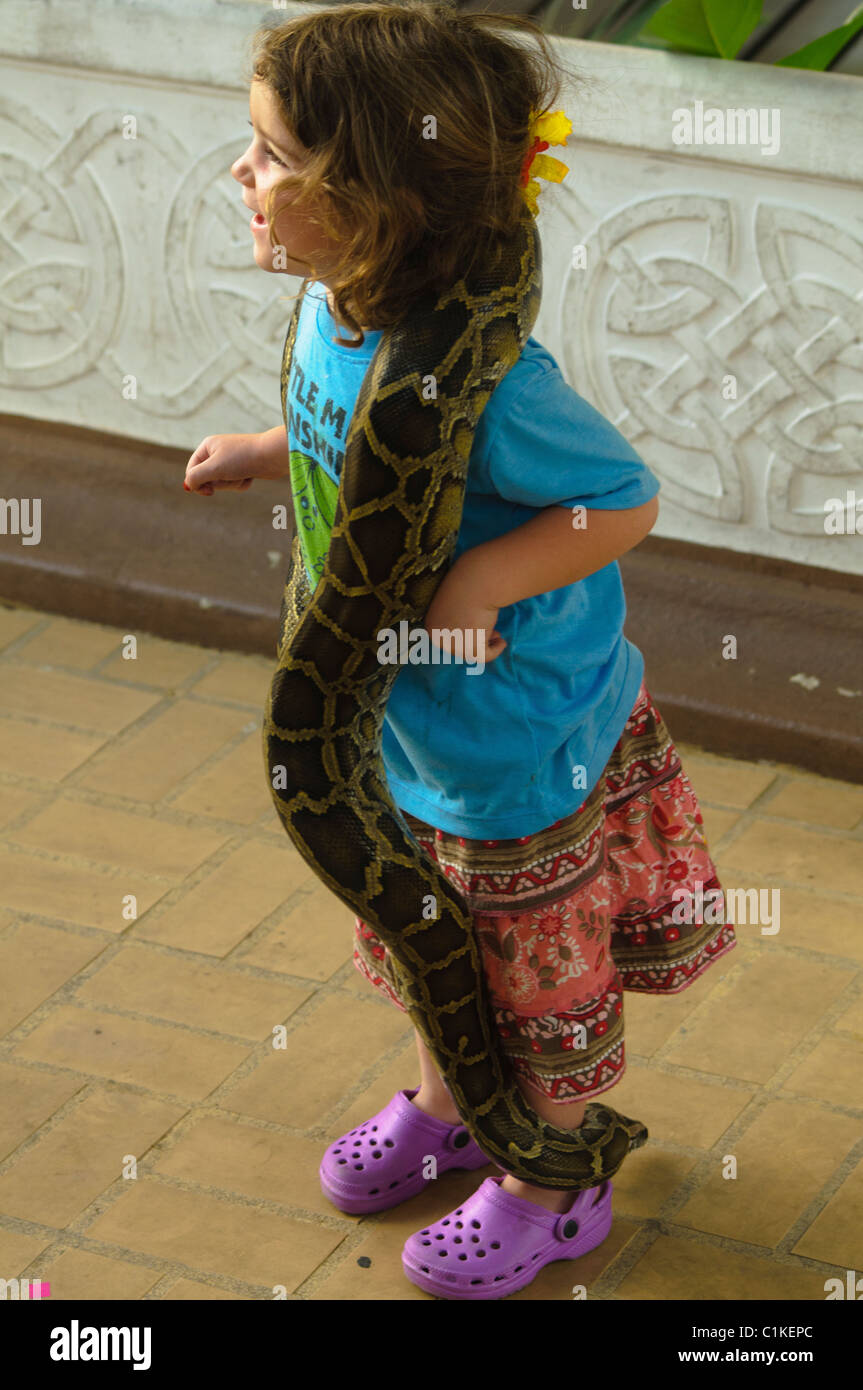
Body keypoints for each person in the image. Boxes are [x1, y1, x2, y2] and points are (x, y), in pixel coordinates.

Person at [184, 1, 736, 1299]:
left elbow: (627, 499)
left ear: (374, 206)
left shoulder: (497, 387)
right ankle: (450, 1100)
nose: (240, 173)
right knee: (430, 939)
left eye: (268, 154)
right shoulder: (339, 306)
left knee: (524, 975)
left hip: (513, 745)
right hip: (409, 734)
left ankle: (558, 1172)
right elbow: (349, 434)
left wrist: (486, 572)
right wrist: (272, 451)